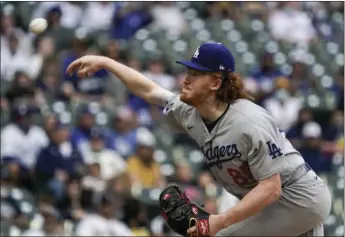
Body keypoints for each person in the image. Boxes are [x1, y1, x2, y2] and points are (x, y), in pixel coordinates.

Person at [66, 42, 332, 236]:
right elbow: (150, 90)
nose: (185, 79)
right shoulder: (189, 112)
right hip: (270, 205)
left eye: (195, 74)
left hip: (298, 197)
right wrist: (106, 62)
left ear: (216, 83)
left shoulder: (249, 120)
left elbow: (271, 187)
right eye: (187, 72)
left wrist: (220, 220)